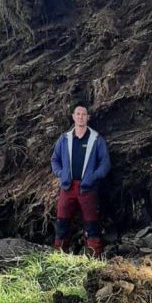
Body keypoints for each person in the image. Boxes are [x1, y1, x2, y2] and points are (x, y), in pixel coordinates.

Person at [51, 103, 110, 257]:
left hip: (87, 188)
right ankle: (59, 256)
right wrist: (61, 173)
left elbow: (105, 163)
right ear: (73, 117)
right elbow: (55, 160)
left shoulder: (96, 139)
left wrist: (94, 176)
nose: (80, 117)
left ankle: (95, 256)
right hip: (67, 187)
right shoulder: (64, 139)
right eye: (78, 114)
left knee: (91, 223)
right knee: (62, 222)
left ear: (88, 117)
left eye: (83, 114)